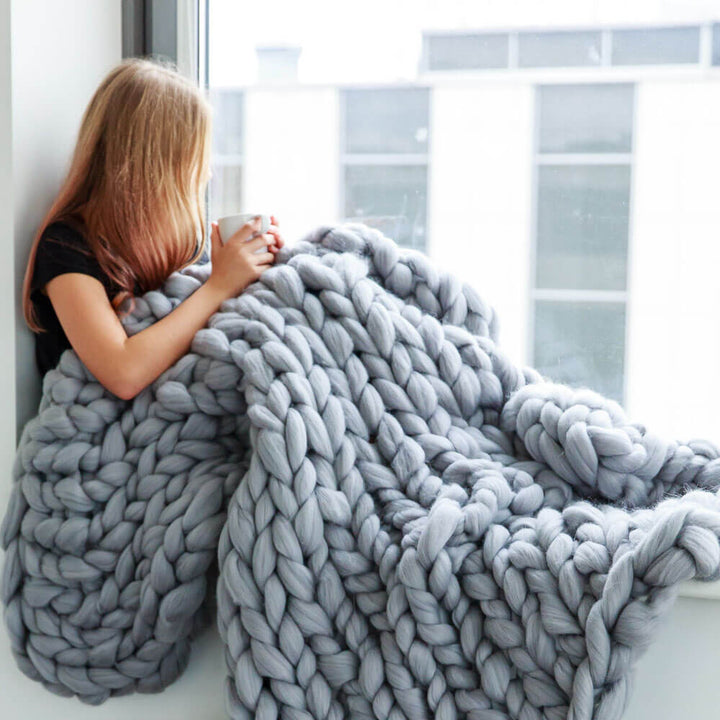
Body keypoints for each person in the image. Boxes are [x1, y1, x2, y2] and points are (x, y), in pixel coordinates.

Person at [20, 57, 284, 401]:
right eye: (197, 159)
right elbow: (123, 373)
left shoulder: (186, 249)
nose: (207, 175)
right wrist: (219, 286)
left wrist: (253, 271)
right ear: (158, 166)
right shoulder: (67, 248)